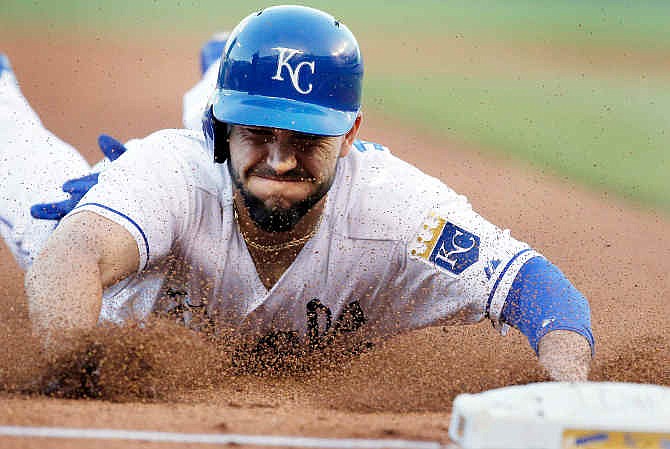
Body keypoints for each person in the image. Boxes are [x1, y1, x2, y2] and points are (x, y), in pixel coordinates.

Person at [2, 5, 593, 382]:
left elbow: (533, 285)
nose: (282, 160)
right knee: (25, 177)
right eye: (258, 132)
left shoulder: (398, 206)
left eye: (309, 139)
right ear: (224, 127)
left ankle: (230, 74)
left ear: (352, 133)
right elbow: (74, 256)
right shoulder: (172, 173)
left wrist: (571, 384)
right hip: (138, 245)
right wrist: (72, 360)